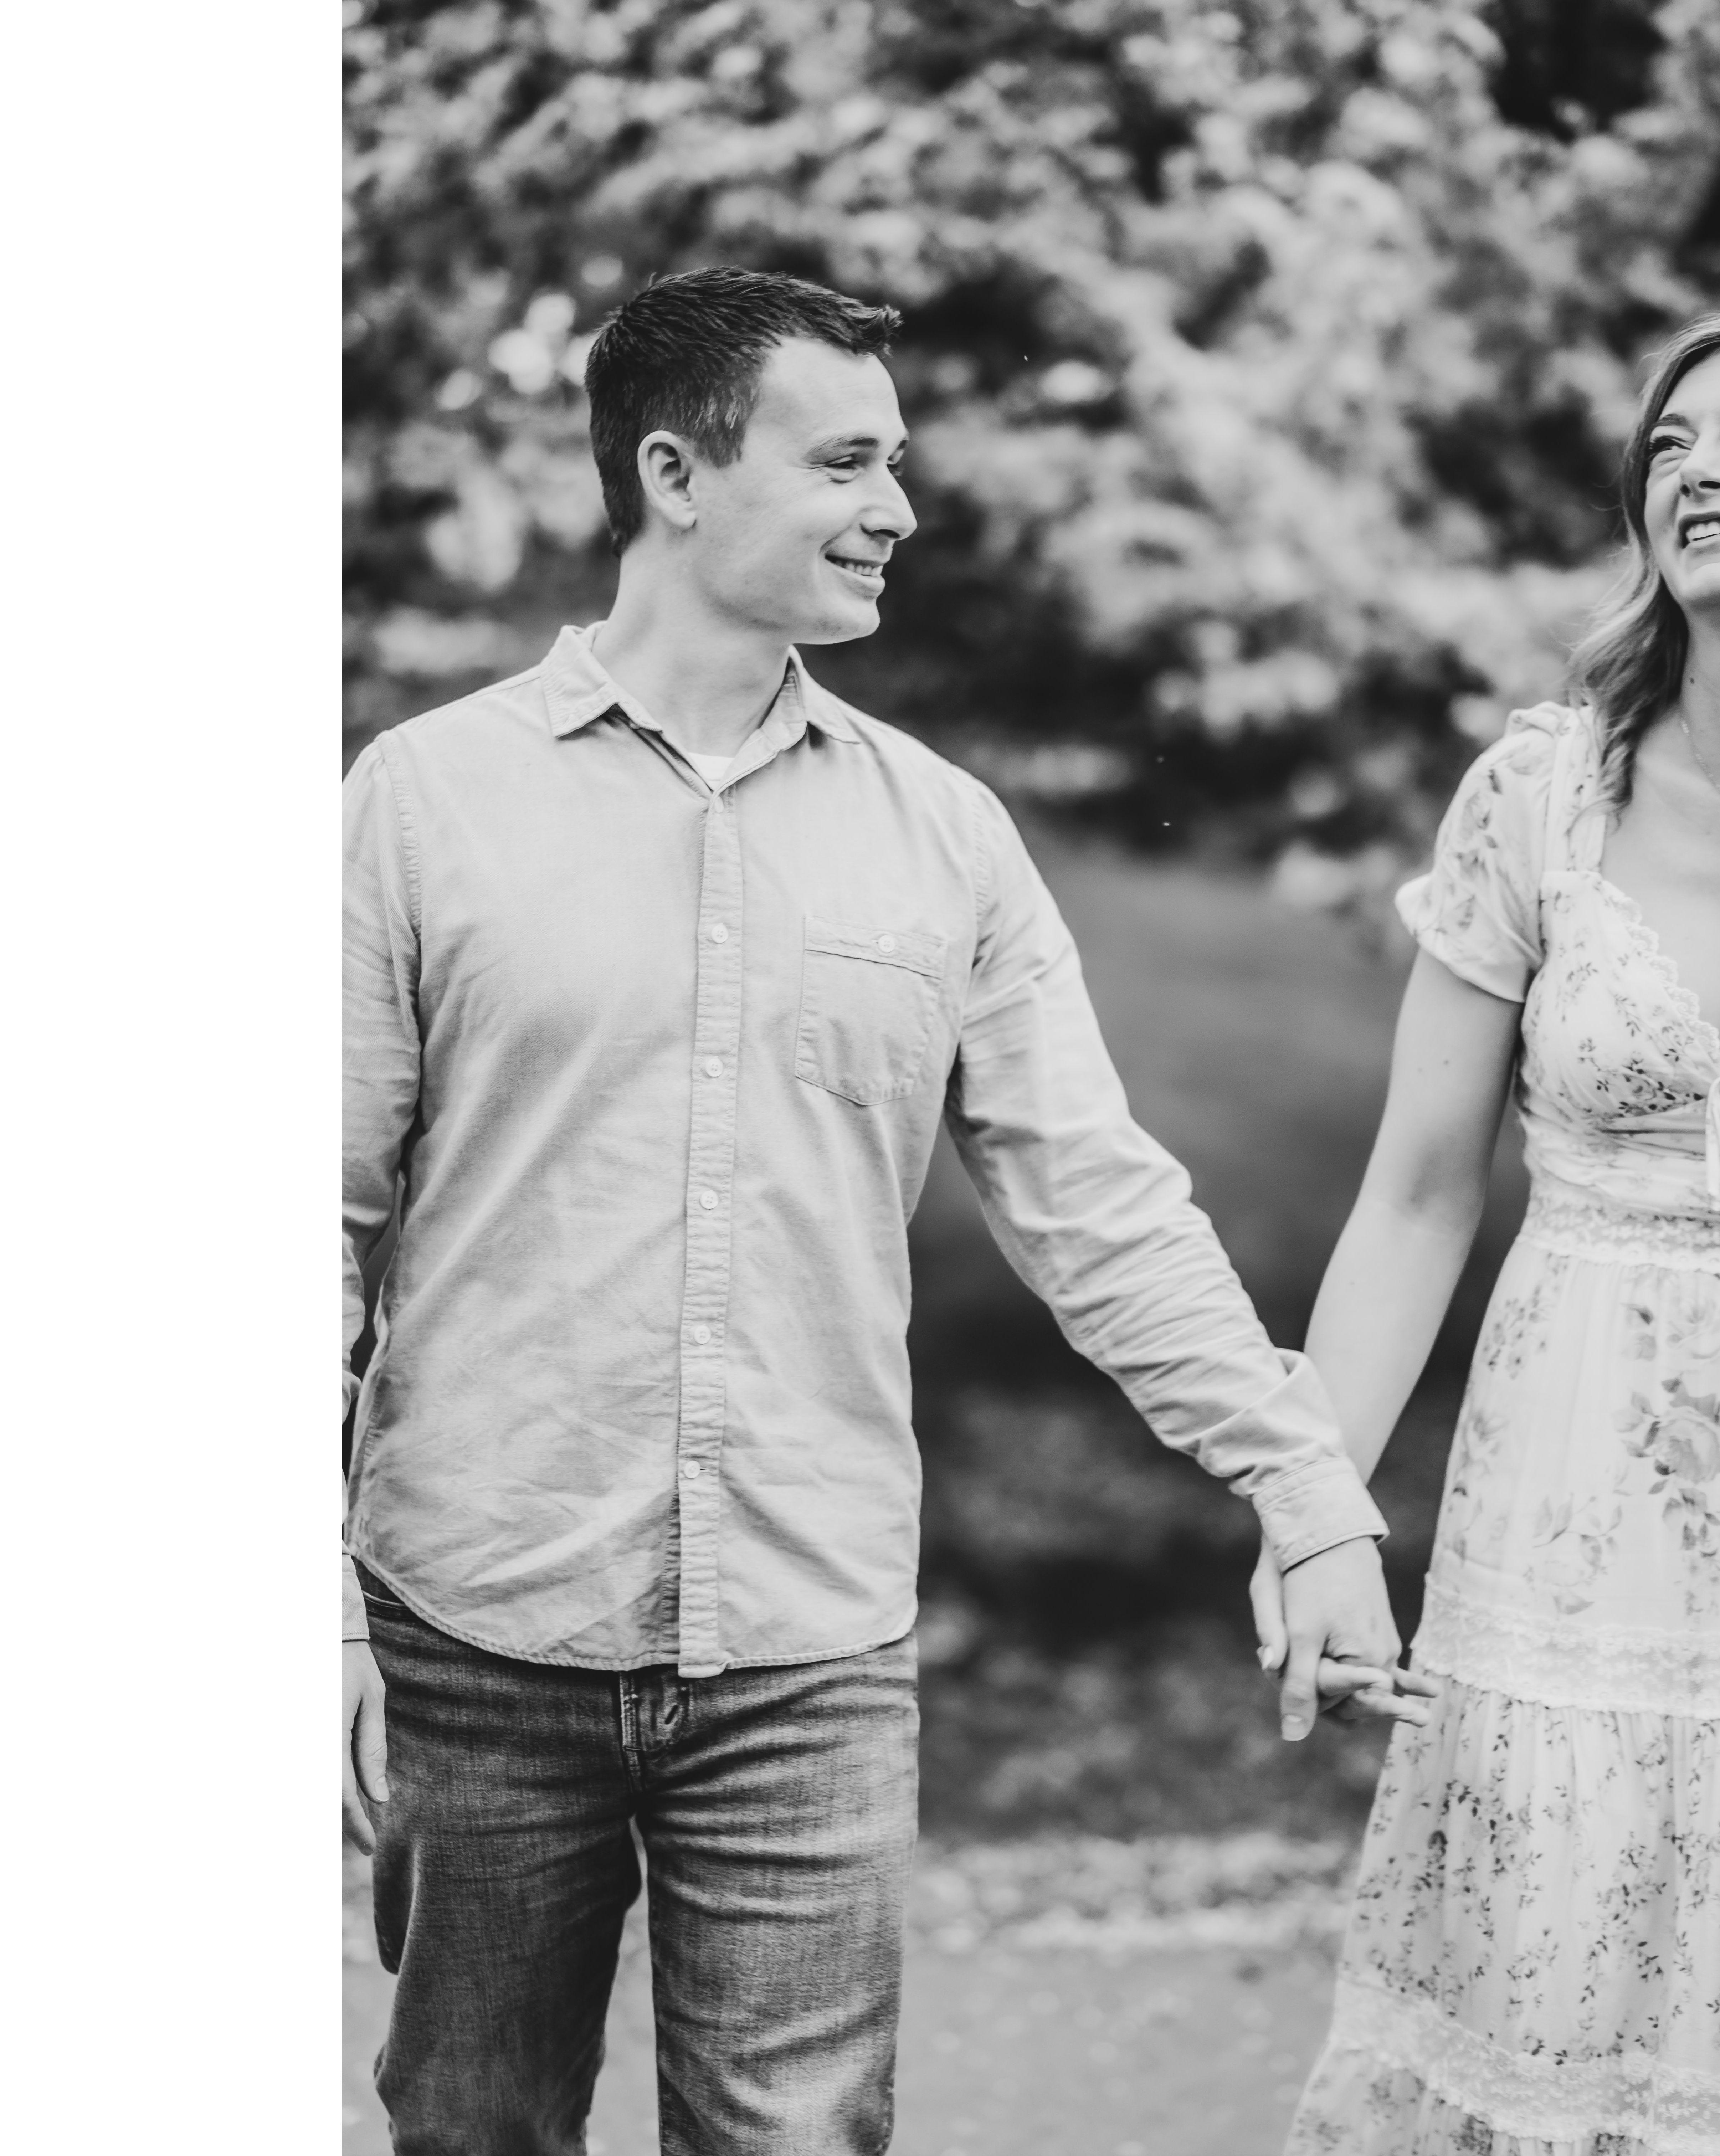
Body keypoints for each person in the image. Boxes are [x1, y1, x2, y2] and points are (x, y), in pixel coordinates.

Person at [341, 265, 1420, 2156]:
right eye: (845, 462)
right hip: (472, 1633)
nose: (899, 508)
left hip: (810, 1655)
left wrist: (1306, 1488)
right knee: (471, 2132)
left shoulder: (944, 833)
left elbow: (1098, 1202)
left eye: (894, 462)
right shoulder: (424, 803)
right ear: (677, 474)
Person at [1258, 303, 1720, 2155]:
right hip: (1571, 1536)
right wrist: (1314, 1509)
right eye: (1672, 443)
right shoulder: (1544, 798)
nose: (1703, 467)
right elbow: (1417, 1196)